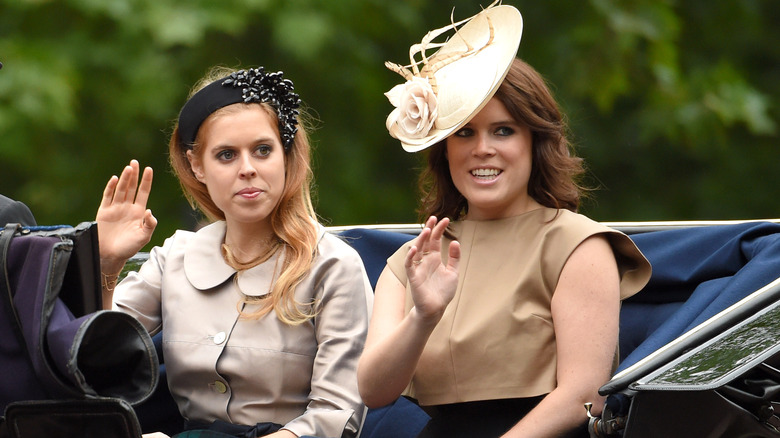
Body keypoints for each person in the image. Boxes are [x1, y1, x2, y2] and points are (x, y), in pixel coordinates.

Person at [357, 3, 652, 437]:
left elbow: (583, 396)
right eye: (464, 132)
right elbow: (373, 392)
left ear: (536, 141)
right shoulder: (412, 260)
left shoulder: (577, 244)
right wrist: (422, 317)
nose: (482, 149)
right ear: (445, 151)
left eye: (503, 130)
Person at [97, 66, 373, 438]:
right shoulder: (175, 257)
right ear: (197, 165)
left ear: (286, 155)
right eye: (226, 155)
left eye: (262, 150)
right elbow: (95, 361)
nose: (247, 169)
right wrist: (107, 264)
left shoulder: (332, 266)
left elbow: (336, 417)